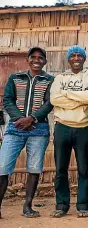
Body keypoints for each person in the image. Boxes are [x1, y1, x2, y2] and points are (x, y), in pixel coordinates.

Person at [0, 47, 54, 218]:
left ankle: (27, 206)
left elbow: (49, 103)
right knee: (3, 167)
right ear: (28, 59)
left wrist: (32, 118)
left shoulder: (49, 80)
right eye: (33, 57)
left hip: (39, 129)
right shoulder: (15, 77)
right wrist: (20, 119)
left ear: (45, 61)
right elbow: (7, 99)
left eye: (40, 57)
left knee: (34, 167)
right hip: (15, 128)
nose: (37, 60)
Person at [50, 45, 88, 218]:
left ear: (84, 59)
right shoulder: (59, 78)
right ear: (68, 59)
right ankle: (62, 205)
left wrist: (67, 94)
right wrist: (80, 99)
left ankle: (83, 204)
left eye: (79, 55)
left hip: (84, 127)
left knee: (83, 169)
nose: (76, 58)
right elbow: (54, 99)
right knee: (60, 168)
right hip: (62, 127)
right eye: (73, 55)